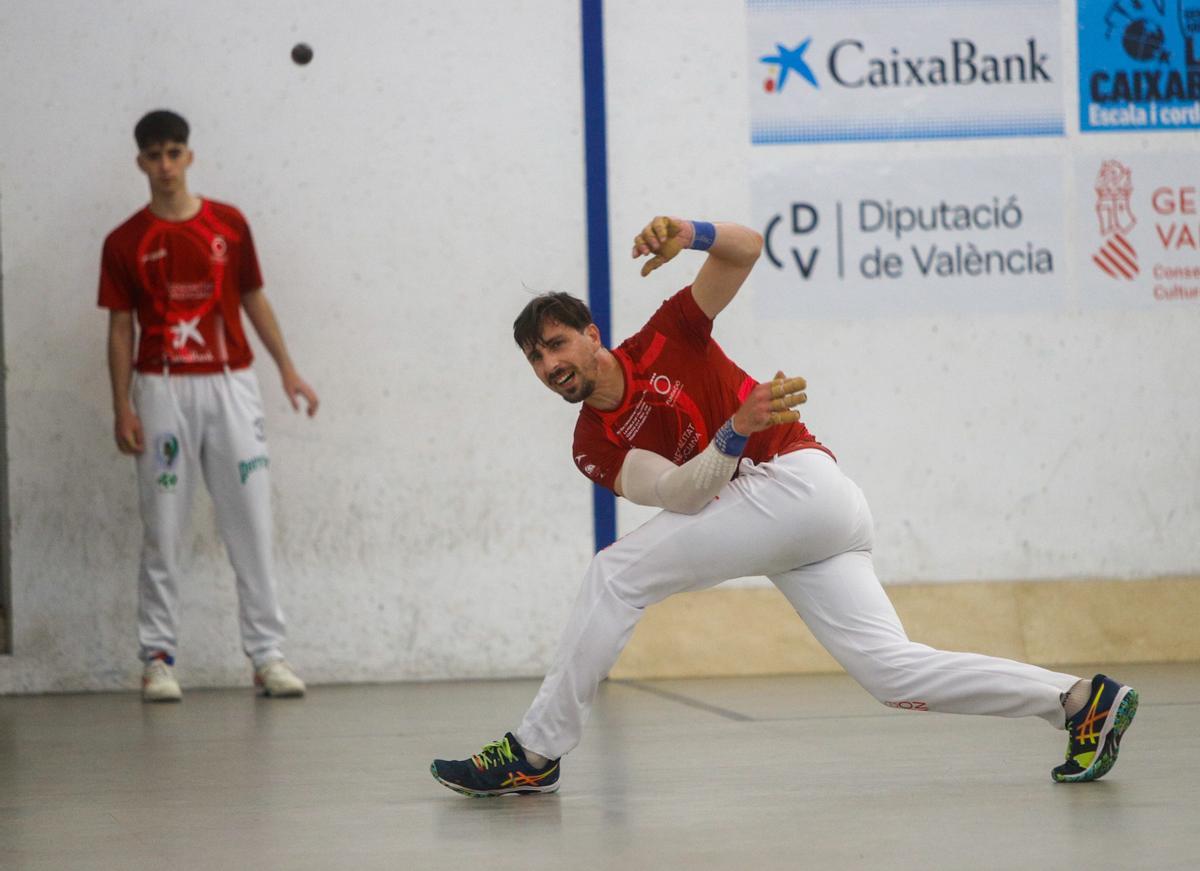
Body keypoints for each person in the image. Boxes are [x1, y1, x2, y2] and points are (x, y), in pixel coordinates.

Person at [431, 215, 1137, 795]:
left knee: (614, 575)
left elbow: (746, 250)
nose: (550, 366)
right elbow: (683, 494)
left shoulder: (668, 333)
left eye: (556, 345)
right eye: (535, 359)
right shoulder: (593, 442)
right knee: (892, 674)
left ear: (591, 334)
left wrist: (690, 233)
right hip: (798, 521)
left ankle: (535, 750)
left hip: (798, 485)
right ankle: (1079, 701)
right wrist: (733, 431)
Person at [98, 110, 317, 702]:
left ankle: (267, 655)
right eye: (154, 156)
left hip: (230, 384)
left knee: (252, 522)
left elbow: (253, 297)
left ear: (189, 156)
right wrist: (122, 406)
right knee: (163, 526)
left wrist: (287, 368)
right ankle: (158, 658)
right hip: (160, 388)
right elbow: (119, 328)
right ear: (141, 163)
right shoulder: (124, 241)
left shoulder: (230, 224)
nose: (165, 165)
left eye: (174, 153)